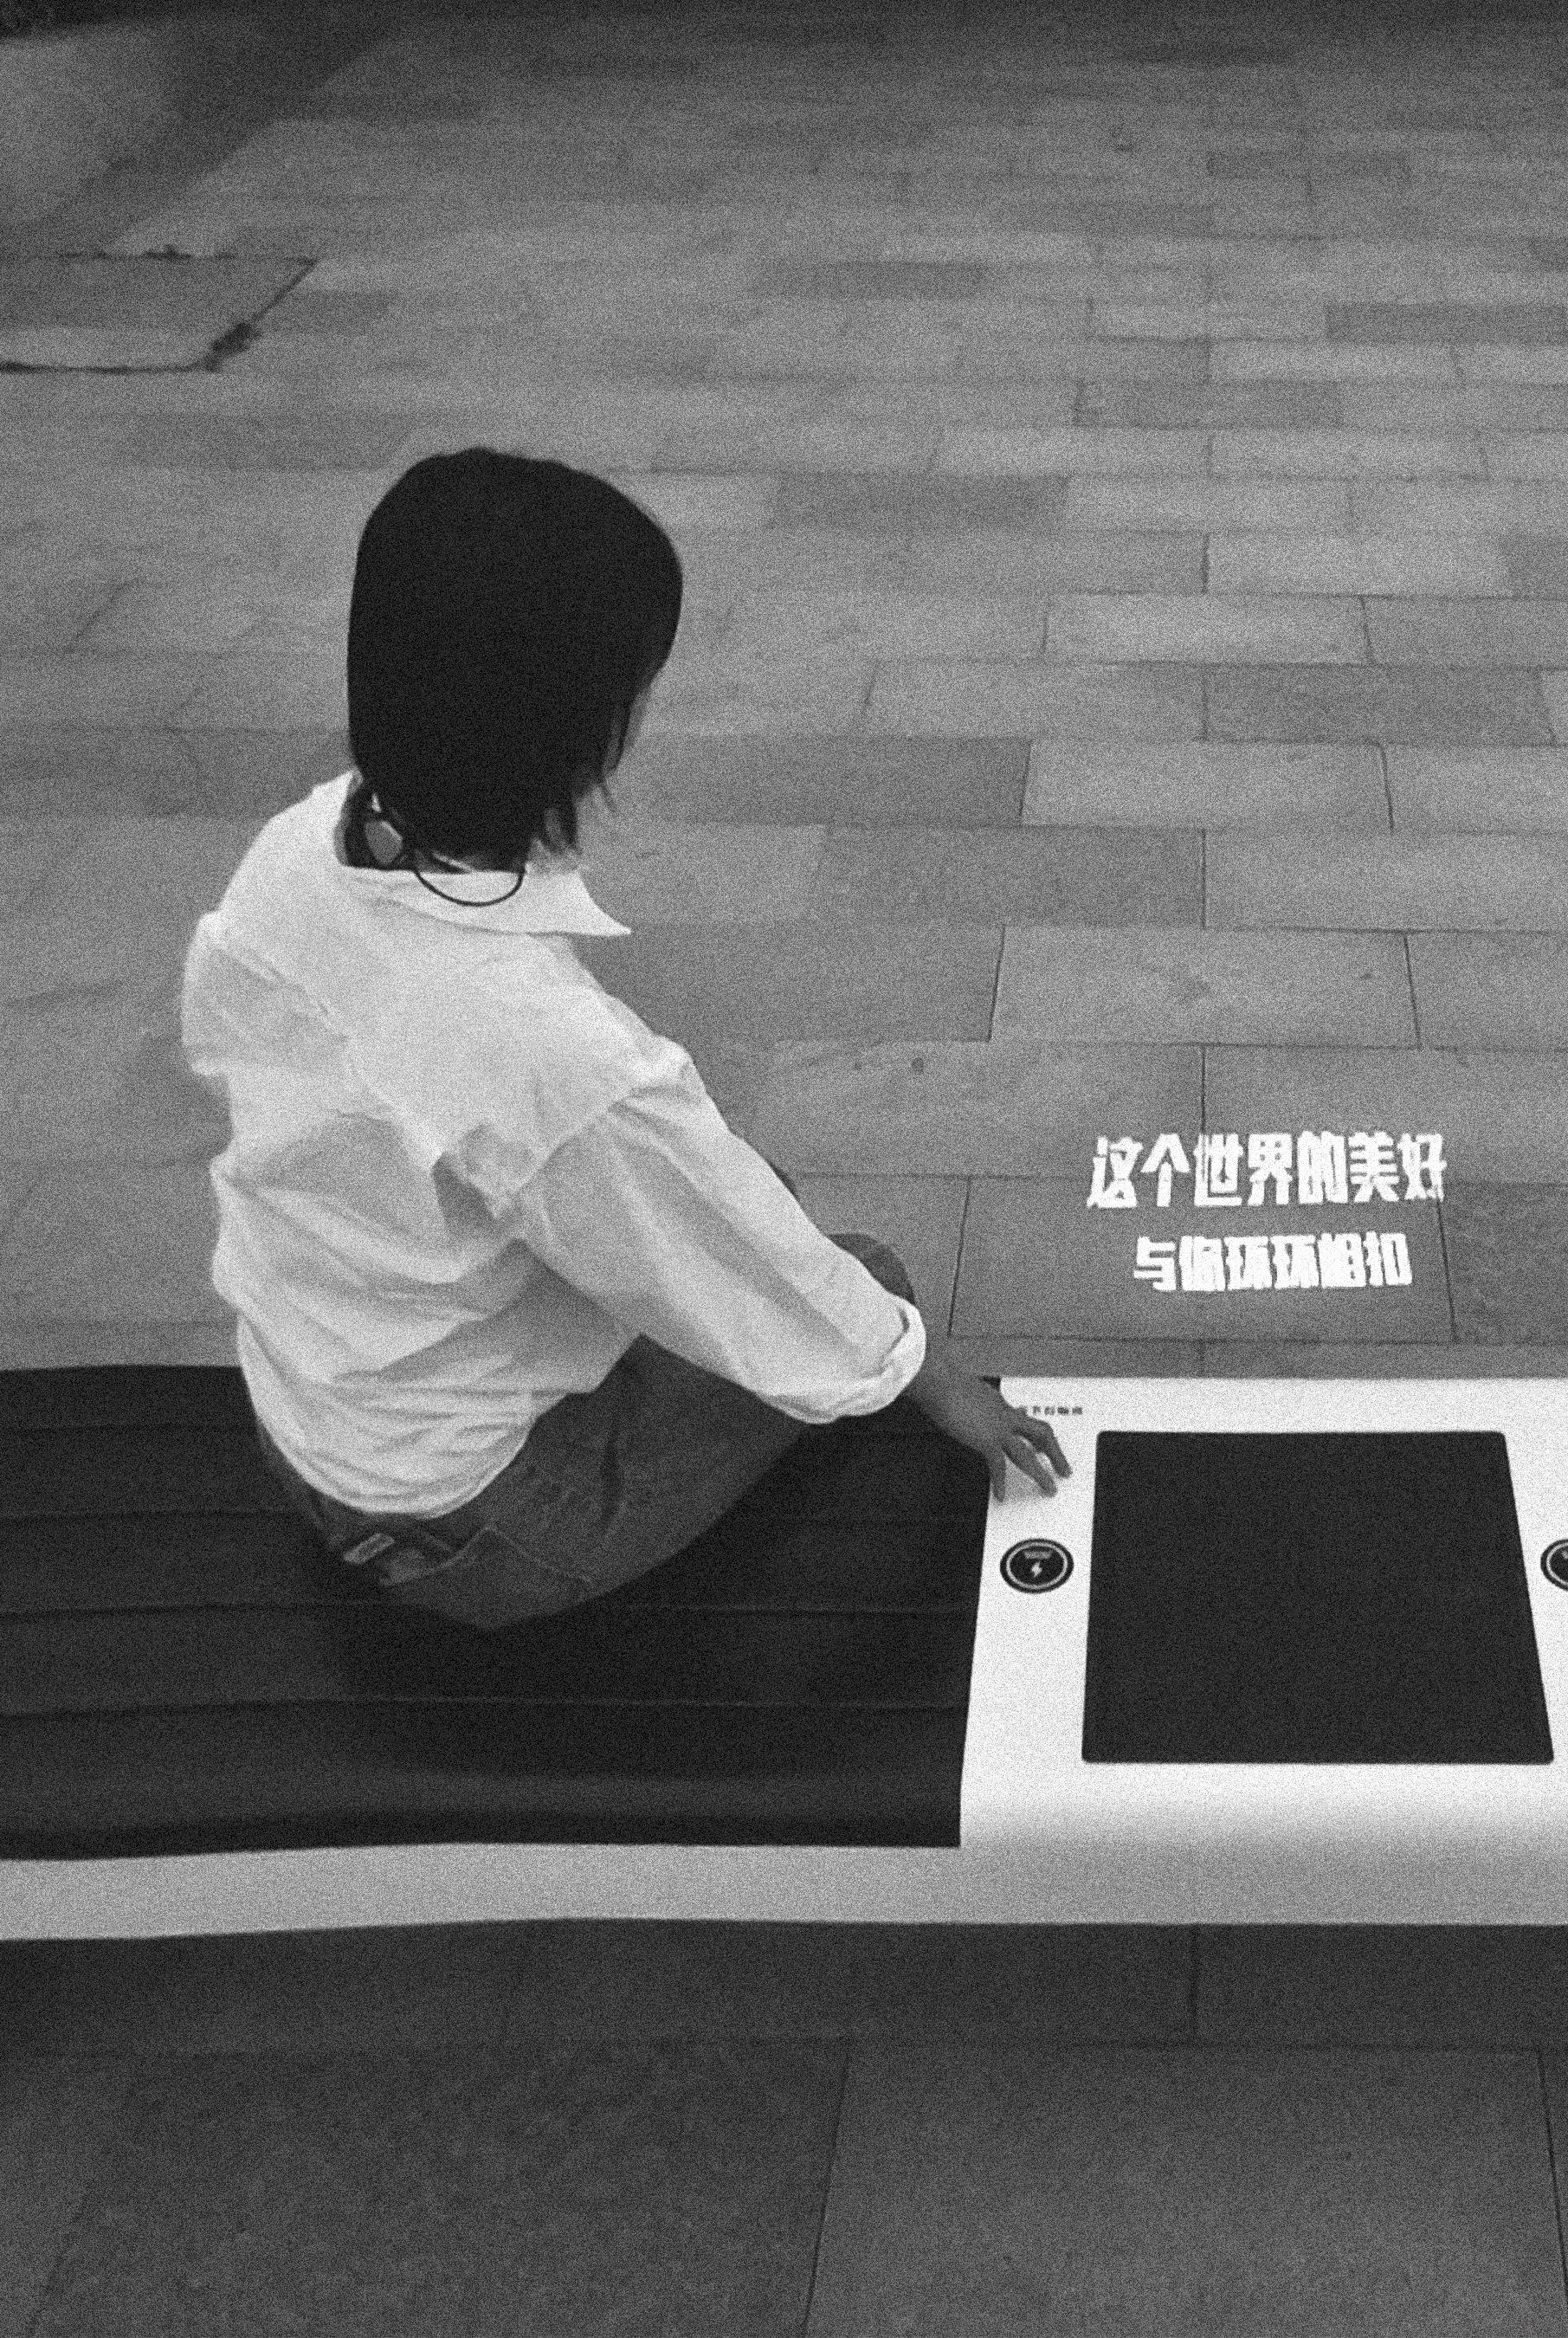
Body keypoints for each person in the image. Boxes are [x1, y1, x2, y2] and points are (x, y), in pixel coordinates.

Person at [179, 445, 1068, 1631]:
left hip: (315, 1412)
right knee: (860, 1279)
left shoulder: (306, 845)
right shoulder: (551, 1053)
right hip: (477, 1528)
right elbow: (781, 1289)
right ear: (578, 727)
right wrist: (930, 1377)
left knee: (743, 1212)